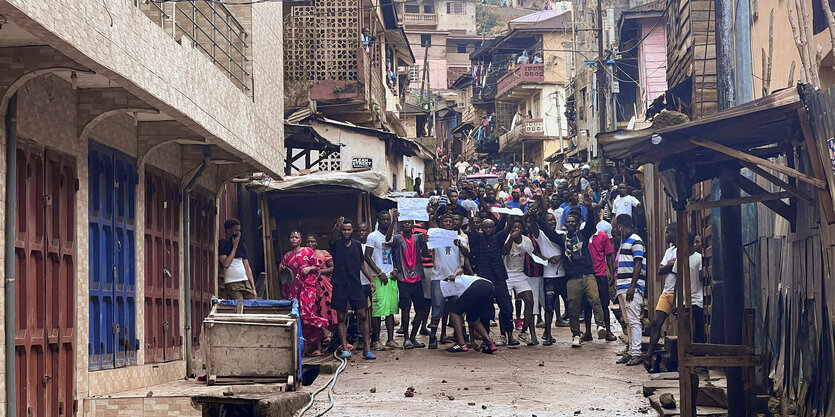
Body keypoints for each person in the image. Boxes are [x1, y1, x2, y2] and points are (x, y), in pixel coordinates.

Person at [535, 202, 606, 348]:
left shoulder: (583, 235)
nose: (571, 224)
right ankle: (575, 335)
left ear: (577, 224)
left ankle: (600, 326)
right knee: (573, 306)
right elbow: (548, 232)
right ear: (565, 224)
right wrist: (537, 218)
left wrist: (591, 210)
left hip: (588, 274)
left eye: (573, 222)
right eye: (568, 222)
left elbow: (591, 226)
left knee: (594, 298)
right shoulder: (562, 239)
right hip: (572, 278)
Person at [329, 217, 376, 360]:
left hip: (356, 285)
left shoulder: (356, 245)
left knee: (362, 315)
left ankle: (367, 348)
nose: (346, 232)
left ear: (352, 230)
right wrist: (336, 227)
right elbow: (331, 238)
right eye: (344, 229)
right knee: (341, 317)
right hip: (340, 285)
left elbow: (362, 264)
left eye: (349, 229)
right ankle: (345, 349)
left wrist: (371, 280)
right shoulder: (336, 244)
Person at [466, 217, 518, 346]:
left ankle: (509, 336)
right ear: (481, 228)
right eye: (486, 227)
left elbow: (507, 228)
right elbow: (472, 229)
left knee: (507, 308)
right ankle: (486, 338)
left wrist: (510, 215)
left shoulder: (499, 237)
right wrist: (471, 220)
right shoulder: (478, 238)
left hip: (499, 278)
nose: (488, 229)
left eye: (491, 227)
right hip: (484, 279)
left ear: (494, 228)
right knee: (485, 311)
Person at [280, 230, 330, 356]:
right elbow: (283, 270)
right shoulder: (286, 256)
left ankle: (324, 329)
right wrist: (280, 268)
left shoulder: (307, 251)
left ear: (300, 239)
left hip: (307, 287)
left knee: (306, 312)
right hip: (293, 289)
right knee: (300, 318)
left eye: (296, 237)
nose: (293, 239)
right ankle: (305, 348)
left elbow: (317, 267)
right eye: (291, 237)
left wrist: (309, 268)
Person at [388, 210, 431, 349]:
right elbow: (387, 239)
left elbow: (425, 253)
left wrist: (425, 244)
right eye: (404, 223)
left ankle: (413, 337)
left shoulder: (418, 237)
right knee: (405, 309)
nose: (406, 225)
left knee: (421, 309)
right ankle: (406, 338)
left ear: (413, 225)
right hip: (403, 278)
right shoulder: (397, 238)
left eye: (409, 222)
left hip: (417, 278)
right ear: (400, 225)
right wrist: (393, 220)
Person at [426, 213, 466, 349]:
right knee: (437, 307)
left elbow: (466, 254)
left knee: (455, 307)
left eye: (450, 221)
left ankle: (453, 335)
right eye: (445, 221)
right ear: (441, 222)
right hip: (438, 277)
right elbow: (426, 252)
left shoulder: (459, 238)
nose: (448, 223)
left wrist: (460, 246)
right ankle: (433, 336)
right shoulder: (435, 237)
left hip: (455, 277)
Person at [526, 211, 565, 346]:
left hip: (563, 275)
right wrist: (532, 215)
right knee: (549, 307)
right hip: (549, 276)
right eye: (549, 220)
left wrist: (560, 257)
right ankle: (548, 334)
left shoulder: (561, 234)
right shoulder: (541, 235)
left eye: (553, 220)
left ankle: (576, 334)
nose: (552, 223)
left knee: (570, 304)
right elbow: (535, 228)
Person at [641, 222, 677, 371]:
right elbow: (660, 271)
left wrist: (669, 267)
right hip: (666, 292)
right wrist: (671, 266)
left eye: (669, 232)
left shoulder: (685, 251)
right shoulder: (670, 251)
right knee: (656, 323)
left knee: (684, 326)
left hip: (678, 293)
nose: (666, 235)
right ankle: (649, 356)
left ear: (676, 232)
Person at [364, 210, 401, 350]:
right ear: (378, 220)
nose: (386, 222)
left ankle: (391, 339)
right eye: (384, 219)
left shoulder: (392, 236)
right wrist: (379, 272)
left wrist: (395, 269)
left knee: (391, 310)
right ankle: (376, 340)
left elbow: (394, 254)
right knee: (378, 311)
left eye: (388, 219)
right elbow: (367, 257)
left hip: (391, 276)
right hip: (378, 278)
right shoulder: (372, 236)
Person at [614, 214, 646, 366]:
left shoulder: (635, 240)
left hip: (630, 286)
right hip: (623, 285)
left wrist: (632, 286)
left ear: (621, 226)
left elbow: (638, 264)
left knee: (633, 320)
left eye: (617, 226)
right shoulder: (624, 241)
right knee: (628, 321)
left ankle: (637, 352)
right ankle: (632, 351)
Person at [502, 217, 540, 346]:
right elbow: (504, 251)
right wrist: (511, 237)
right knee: (506, 306)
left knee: (529, 301)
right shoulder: (505, 238)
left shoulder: (526, 240)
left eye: (519, 227)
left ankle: (524, 331)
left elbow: (529, 251)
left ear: (523, 229)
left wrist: (517, 239)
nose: (516, 229)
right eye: (514, 227)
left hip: (520, 274)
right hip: (506, 275)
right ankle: (505, 335)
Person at [442, 274, 498, 353]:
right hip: (490, 287)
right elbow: (470, 318)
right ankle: (490, 343)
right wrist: (472, 340)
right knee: (472, 318)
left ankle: (461, 343)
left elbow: (459, 310)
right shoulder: (468, 280)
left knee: (454, 312)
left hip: (478, 286)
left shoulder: (458, 282)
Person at [586, 220, 617, 341]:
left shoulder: (602, 236)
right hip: (588, 274)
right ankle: (588, 332)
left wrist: (611, 271)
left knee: (604, 303)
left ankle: (608, 331)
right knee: (587, 304)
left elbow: (609, 254)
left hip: (600, 274)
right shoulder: (583, 236)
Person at [219, 218, 257, 300]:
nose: (238, 233)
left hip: (245, 282)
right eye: (236, 231)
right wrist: (234, 246)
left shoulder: (242, 245)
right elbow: (226, 264)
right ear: (229, 231)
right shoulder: (222, 244)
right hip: (232, 283)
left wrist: (253, 288)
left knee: (251, 305)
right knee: (239, 304)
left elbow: (247, 267)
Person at [305, 234, 339, 328]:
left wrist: (318, 271)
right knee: (314, 309)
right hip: (310, 286)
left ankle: (332, 333)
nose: (310, 243)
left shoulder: (323, 253)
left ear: (316, 242)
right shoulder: (302, 254)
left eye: (313, 241)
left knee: (328, 307)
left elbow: (333, 268)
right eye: (308, 242)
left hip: (325, 286)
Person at [355, 222, 377, 351]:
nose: (361, 233)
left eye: (364, 230)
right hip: (360, 282)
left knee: (375, 311)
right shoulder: (355, 246)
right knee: (361, 312)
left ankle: (375, 338)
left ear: (368, 231)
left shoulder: (371, 245)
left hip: (372, 280)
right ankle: (362, 338)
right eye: (359, 231)